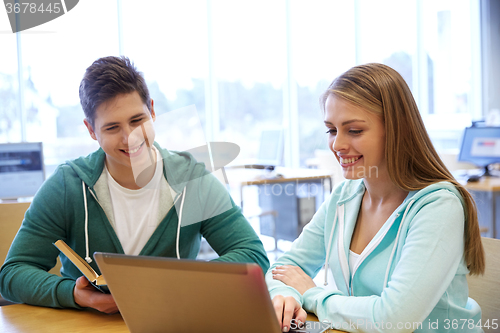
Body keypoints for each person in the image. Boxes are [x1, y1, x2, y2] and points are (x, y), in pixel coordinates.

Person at [0, 56, 269, 314]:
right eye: (112, 128)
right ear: (91, 130)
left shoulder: (192, 179)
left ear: (151, 111)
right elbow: (12, 274)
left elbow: (253, 254)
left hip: (172, 321)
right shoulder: (67, 186)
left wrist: (186, 283)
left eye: (137, 120)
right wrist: (75, 295)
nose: (130, 138)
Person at [266, 63, 485, 333]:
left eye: (354, 130)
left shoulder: (439, 206)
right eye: (332, 130)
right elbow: (283, 268)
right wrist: (286, 296)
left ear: (396, 129)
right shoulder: (344, 198)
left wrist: (312, 294)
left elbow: (392, 319)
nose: (337, 145)